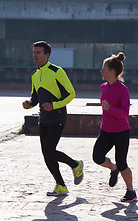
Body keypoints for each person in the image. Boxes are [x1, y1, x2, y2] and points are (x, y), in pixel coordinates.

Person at [22, 41, 83, 196]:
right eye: (34, 52)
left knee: (49, 150)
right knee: (46, 153)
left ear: (47, 55)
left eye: (38, 52)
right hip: (44, 119)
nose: (35, 55)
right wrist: (29, 104)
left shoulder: (57, 71)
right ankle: (61, 185)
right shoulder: (34, 75)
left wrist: (55, 105)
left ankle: (75, 165)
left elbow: (71, 93)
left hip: (58, 117)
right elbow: (35, 97)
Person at [92, 52, 137, 202]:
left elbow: (125, 113)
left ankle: (131, 192)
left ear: (112, 71)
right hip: (106, 130)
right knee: (97, 157)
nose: (101, 71)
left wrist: (110, 108)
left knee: (122, 162)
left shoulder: (123, 89)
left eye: (103, 69)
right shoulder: (103, 87)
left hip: (121, 132)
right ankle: (113, 168)